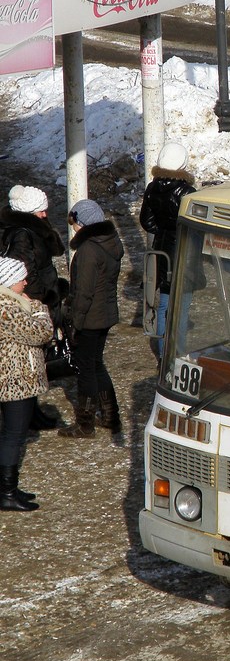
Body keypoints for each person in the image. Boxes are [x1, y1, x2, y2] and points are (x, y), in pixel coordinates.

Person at [0, 184, 66, 429]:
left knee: (35, 358)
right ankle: (25, 412)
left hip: (41, 295)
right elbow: (24, 271)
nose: (45, 215)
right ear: (30, 212)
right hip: (33, 300)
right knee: (30, 358)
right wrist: (40, 300)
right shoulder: (23, 235)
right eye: (41, 211)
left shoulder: (29, 230)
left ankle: (30, 411)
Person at [58, 200, 124, 439]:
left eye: (75, 223)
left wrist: (75, 322)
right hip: (105, 313)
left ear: (83, 222)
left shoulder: (88, 250)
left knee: (86, 368)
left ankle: (85, 424)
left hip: (89, 318)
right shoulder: (111, 242)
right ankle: (110, 415)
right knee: (96, 364)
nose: (74, 228)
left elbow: (83, 292)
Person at [0, 257, 53, 511]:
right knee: (13, 436)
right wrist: (41, 310)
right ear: (9, 282)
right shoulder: (7, 308)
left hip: (14, 378)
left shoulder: (12, 303)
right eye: (21, 278)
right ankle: (7, 493)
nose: (26, 281)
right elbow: (40, 333)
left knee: (12, 435)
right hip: (14, 381)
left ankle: (7, 488)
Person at [139, 142, 197, 360]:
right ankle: (176, 355)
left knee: (164, 305)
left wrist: (163, 231)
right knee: (180, 309)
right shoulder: (188, 192)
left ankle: (164, 356)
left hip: (162, 252)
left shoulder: (153, 188)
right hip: (184, 254)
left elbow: (147, 221)